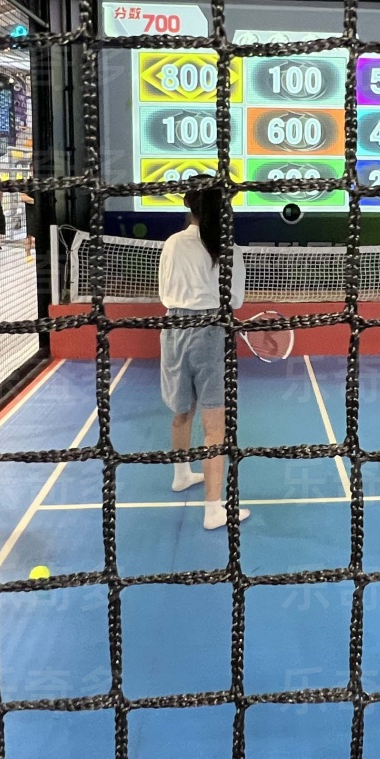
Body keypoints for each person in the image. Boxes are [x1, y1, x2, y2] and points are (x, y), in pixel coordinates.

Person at [158, 188, 249, 531]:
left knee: (182, 411)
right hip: (211, 334)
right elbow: (235, 300)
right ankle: (213, 510)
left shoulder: (172, 243)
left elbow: (164, 291)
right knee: (215, 430)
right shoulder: (229, 249)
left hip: (173, 330)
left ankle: (181, 475)